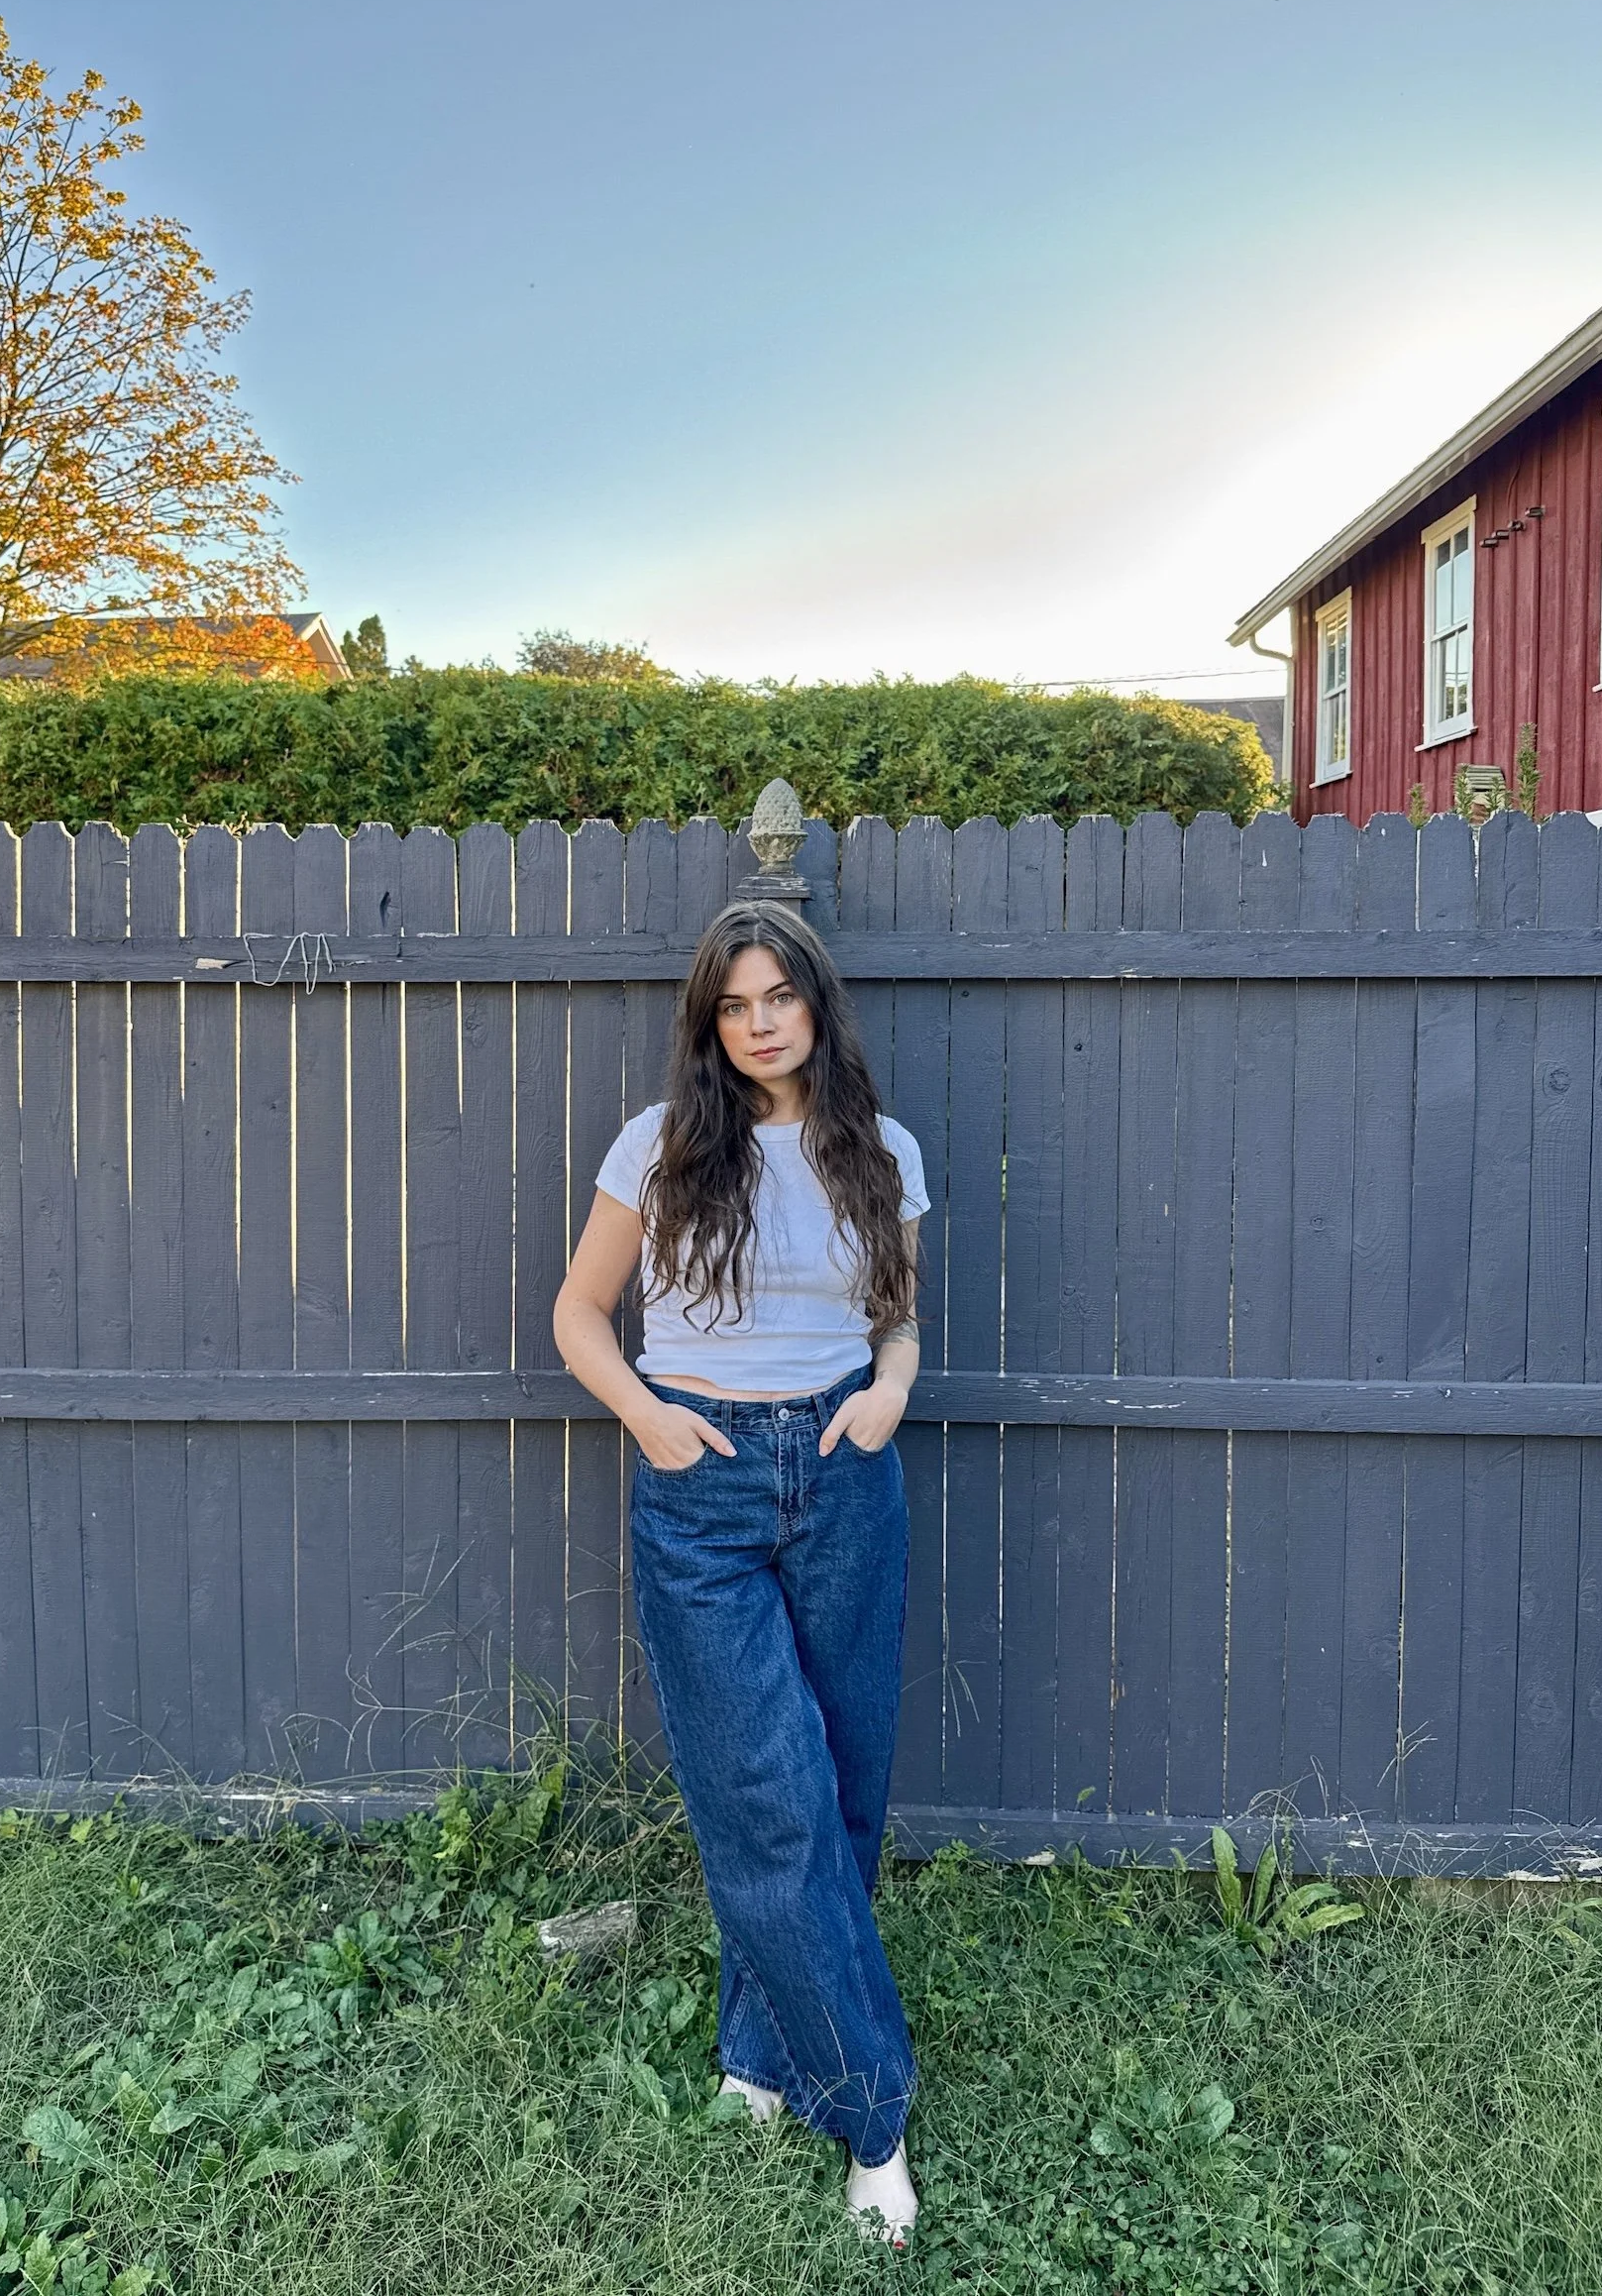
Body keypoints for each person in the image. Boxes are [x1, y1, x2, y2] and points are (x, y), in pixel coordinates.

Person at [554, 898, 927, 2248]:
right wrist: (648, 1416)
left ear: (815, 1002)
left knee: (839, 1789)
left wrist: (890, 1391)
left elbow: (896, 1320)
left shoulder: (879, 1153)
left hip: (844, 1474)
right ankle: (872, 2117)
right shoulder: (657, 1150)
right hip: (699, 1488)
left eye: (779, 995)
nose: (760, 1020)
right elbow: (577, 1314)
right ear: (707, 1022)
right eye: (734, 1002)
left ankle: (757, 2061)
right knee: (766, 1793)